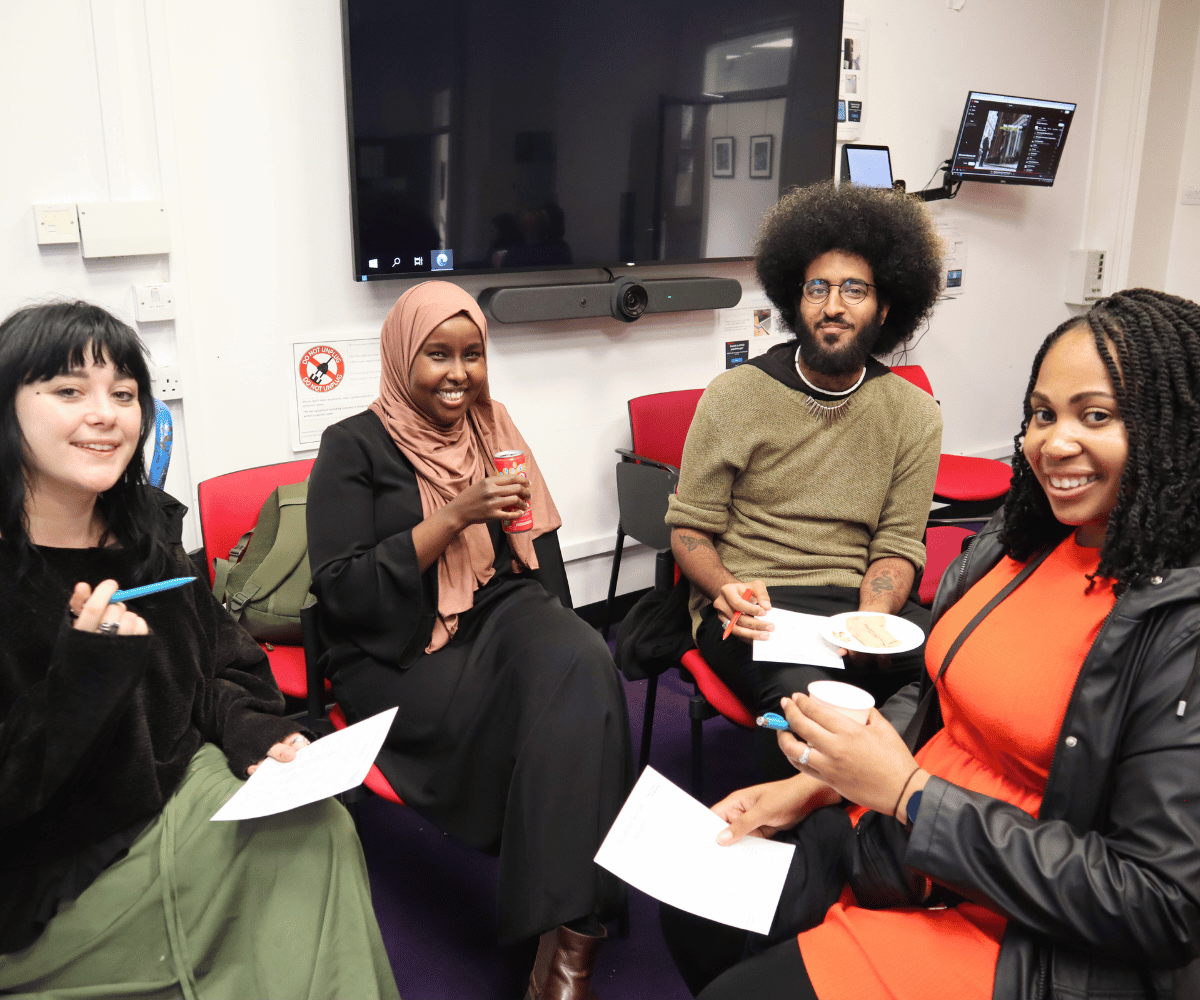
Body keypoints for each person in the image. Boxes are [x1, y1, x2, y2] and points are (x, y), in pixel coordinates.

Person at [662, 288, 1200, 999]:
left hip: (1013, 923)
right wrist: (813, 787)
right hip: (902, 838)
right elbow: (937, 700)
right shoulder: (1014, 552)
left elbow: (1159, 902)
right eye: (1042, 414)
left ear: (1170, 430)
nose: (1054, 443)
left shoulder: (1179, 625)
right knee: (695, 902)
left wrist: (912, 796)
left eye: (1094, 416)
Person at [0, 302, 398, 999]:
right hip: (60, 863)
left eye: (124, 394)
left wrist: (258, 731)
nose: (105, 414)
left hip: (177, 785)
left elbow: (217, 662)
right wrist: (86, 674)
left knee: (320, 827)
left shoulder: (148, 531)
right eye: (68, 390)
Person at [306, 280, 632, 1000]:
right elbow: (343, 590)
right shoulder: (351, 445)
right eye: (438, 355)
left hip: (496, 607)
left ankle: (568, 944)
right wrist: (454, 515)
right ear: (400, 357)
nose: (459, 374)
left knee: (582, 664)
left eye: (473, 355)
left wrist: (565, 625)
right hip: (395, 647)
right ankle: (565, 925)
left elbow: (534, 540)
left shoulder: (495, 424)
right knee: (541, 717)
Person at [665, 180, 945, 775]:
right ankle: (818, 844)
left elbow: (898, 547)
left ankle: (897, 817)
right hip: (755, 604)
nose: (833, 306)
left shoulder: (914, 412)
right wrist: (725, 590)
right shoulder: (734, 395)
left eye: (854, 290)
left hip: (858, 602)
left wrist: (869, 621)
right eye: (817, 288)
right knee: (821, 710)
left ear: (886, 306)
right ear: (797, 299)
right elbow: (690, 531)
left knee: (963, 668)